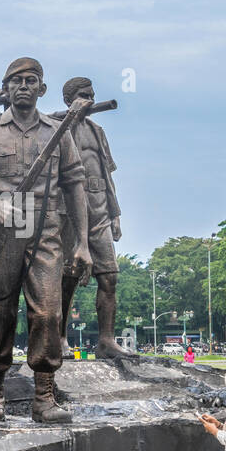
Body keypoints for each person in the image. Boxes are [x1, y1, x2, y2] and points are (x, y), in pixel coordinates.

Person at [0, 57, 91, 423]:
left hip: (46, 233)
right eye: (16, 81)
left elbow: (76, 185)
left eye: (31, 80)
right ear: (6, 87)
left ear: (42, 89)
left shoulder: (58, 132)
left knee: (47, 310)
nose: (24, 86)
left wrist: (83, 243)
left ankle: (44, 395)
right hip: (1, 233)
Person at [57, 77, 132, 360]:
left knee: (109, 276)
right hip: (68, 213)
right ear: (69, 100)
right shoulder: (58, 129)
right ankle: (60, 336)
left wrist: (115, 213)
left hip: (99, 210)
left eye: (91, 95)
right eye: (82, 96)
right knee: (68, 278)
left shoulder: (98, 131)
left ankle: (106, 340)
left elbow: (107, 176)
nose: (89, 100)